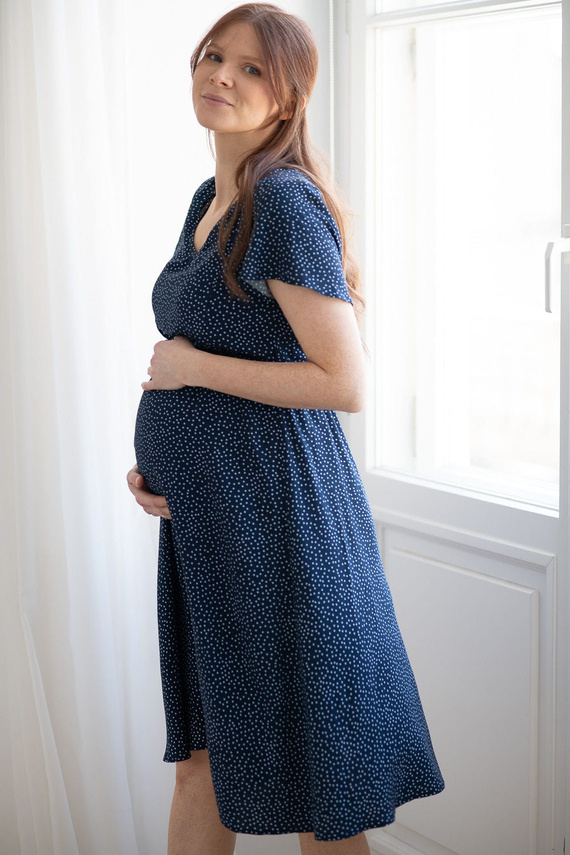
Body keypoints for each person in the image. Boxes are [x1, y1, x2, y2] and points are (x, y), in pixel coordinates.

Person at [126, 4, 445, 853]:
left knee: (320, 781)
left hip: (283, 533)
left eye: (252, 69)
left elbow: (345, 381)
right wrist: (162, 470)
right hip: (214, 526)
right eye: (214, 56)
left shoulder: (283, 203)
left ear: (288, 98)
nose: (221, 75)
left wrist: (188, 373)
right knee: (202, 759)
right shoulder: (210, 197)